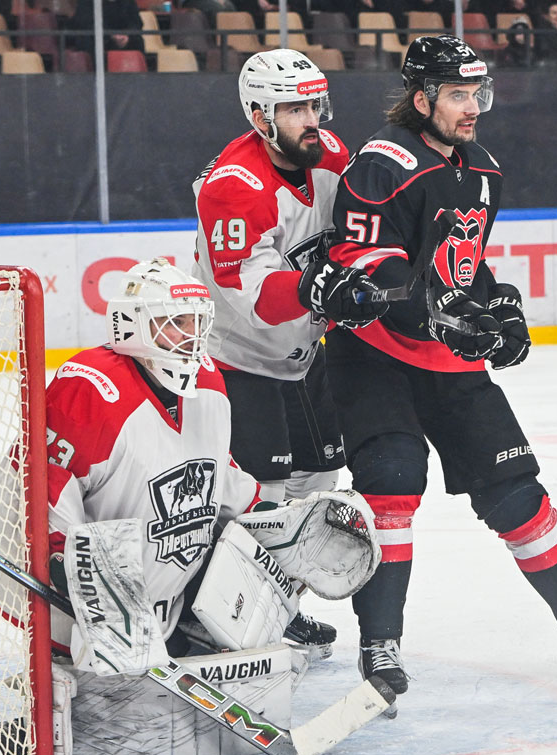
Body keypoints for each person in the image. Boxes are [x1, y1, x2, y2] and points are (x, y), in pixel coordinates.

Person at [325, 35, 557, 705]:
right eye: (458, 94)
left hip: (444, 358)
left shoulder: (482, 168)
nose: (473, 106)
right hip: (373, 354)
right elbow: (364, 265)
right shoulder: (382, 163)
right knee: (393, 485)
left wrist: (497, 305)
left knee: (515, 492)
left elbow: (461, 258)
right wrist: (439, 315)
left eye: (478, 92)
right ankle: (380, 642)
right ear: (422, 97)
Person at [41, 258, 379, 755]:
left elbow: (220, 474)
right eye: (175, 322)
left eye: (197, 322)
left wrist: (278, 520)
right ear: (131, 324)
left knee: (249, 561)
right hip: (83, 620)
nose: (191, 336)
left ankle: (182, 636)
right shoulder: (92, 388)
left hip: (162, 612)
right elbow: (40, 487)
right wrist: (69, 566)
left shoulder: (207, 382)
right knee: (99, 737)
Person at [191, 50, 387, 659]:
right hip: (240, 360)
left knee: (319, 480)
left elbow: (353, 234)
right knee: (265, 494)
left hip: (305, 354)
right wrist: (316, 287)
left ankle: (282, 608)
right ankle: (223, 618)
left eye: (315, 105)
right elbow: (251, 297)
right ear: (259, 116)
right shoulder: (233, 187)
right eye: (294, 109)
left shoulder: (328, 154)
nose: (312, 120)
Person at [65, 0, 144, 58]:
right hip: (97, 37)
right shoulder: (87, 2)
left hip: (123, 38)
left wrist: (126, 35)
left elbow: (136, 22)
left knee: (137, 40)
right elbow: (86, 22)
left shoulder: (127, 2)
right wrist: (110, 35)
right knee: (87, 40)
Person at [534, 1, 557, 67]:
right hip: (550, 66)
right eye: (554, 13)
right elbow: (544, 51)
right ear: (548, 16)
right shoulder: (542, 31)